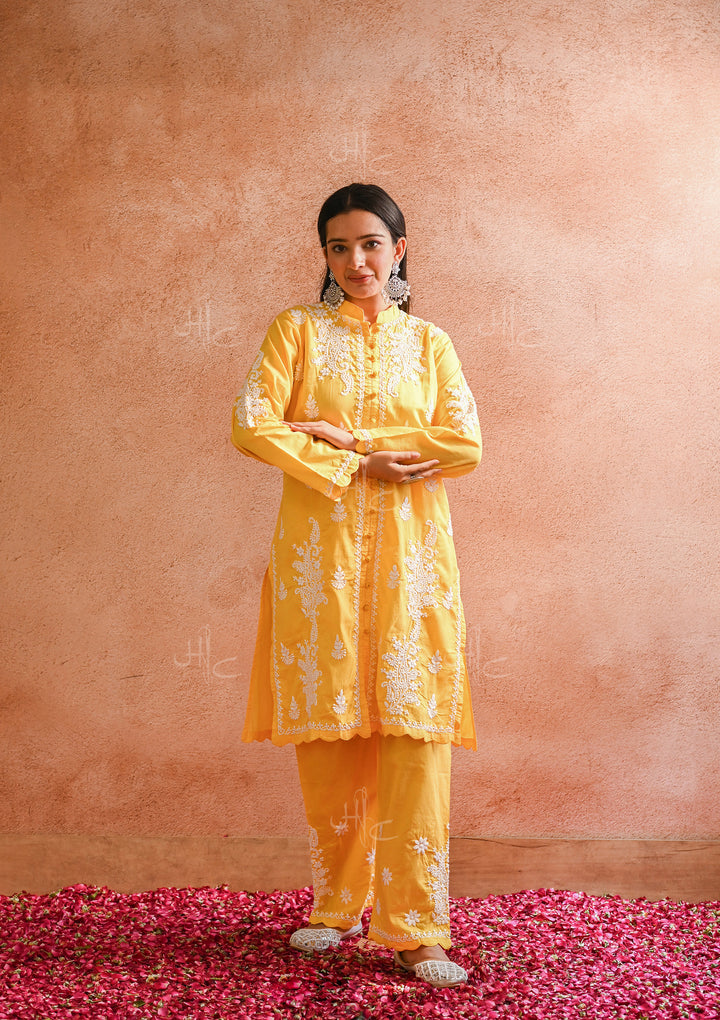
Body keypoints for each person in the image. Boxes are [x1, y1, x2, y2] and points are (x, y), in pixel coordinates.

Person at [232, 183, 481, 988]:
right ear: (326, 256)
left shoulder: (430, 343)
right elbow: (252, 422)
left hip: (412, 568)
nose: (356, 261)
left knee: (415, 739)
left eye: (371, 244)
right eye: (339, 247)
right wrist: (354, 465)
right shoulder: (296, 332)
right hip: (323, 568)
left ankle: (417, 928)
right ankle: (337, 905)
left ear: (399, 249)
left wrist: (351, 436)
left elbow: (464, 444)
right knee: (330, 742)